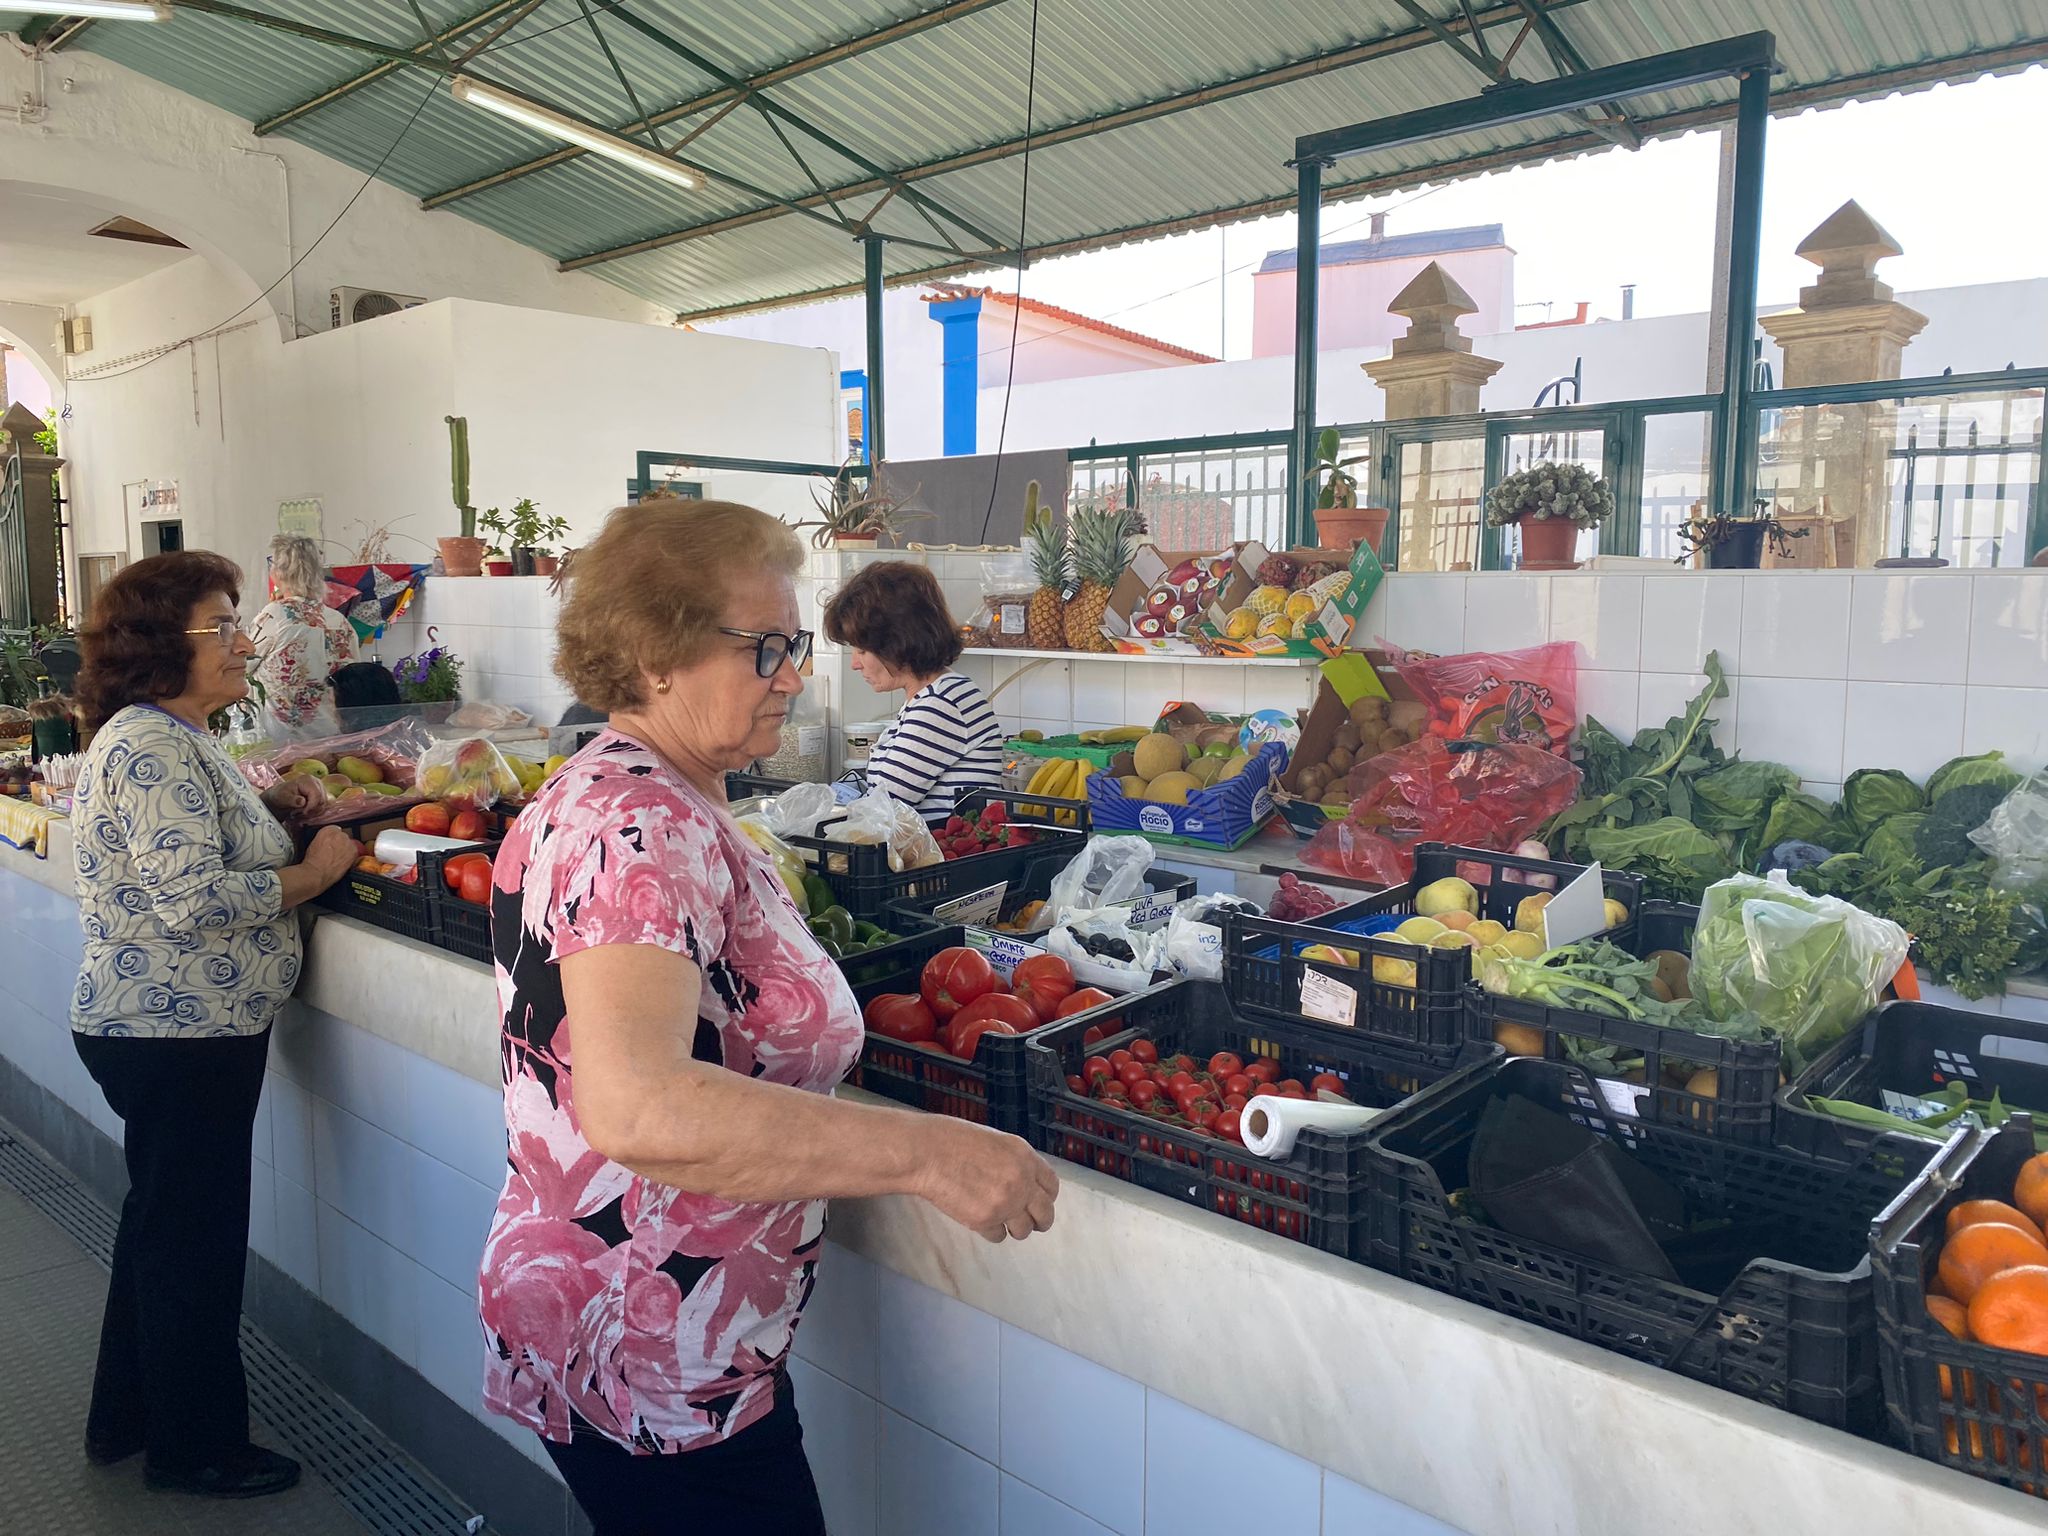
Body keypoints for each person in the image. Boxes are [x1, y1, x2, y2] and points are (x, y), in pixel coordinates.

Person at [481, 501, 1056, 1536]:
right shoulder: (637, 824)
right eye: (768, 648)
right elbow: (641, 1106)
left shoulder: (637, 793)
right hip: (652, 1342)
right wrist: (929, 1154)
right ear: (658, 655)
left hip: (648, 1326)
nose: (794, 674)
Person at [69, 550, 359, 1498]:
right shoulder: (149, 743)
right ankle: (195, 1449)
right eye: (222, 627)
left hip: (174, 1026)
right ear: (161, 646)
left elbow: (194, 841)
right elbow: (191, 896)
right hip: (175, 1030)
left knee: (161, 1230)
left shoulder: (177, 735)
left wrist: (272, 806)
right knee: (193, 1245)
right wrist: (311, 874)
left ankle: (127, 1416)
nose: (245, 643)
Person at [821, 560, 1001, 817]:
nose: (854, 664)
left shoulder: (940, 705)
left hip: (940, 853)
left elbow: (885, 804)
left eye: (861, 650)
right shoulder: (930, 697)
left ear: (897, 642)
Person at [248, 533, 355, 736]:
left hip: (284, 740)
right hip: (332, 735)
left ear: (279, 572)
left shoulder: (274, 615)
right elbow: (353, 675)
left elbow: (244, 663)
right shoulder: (339, 620)